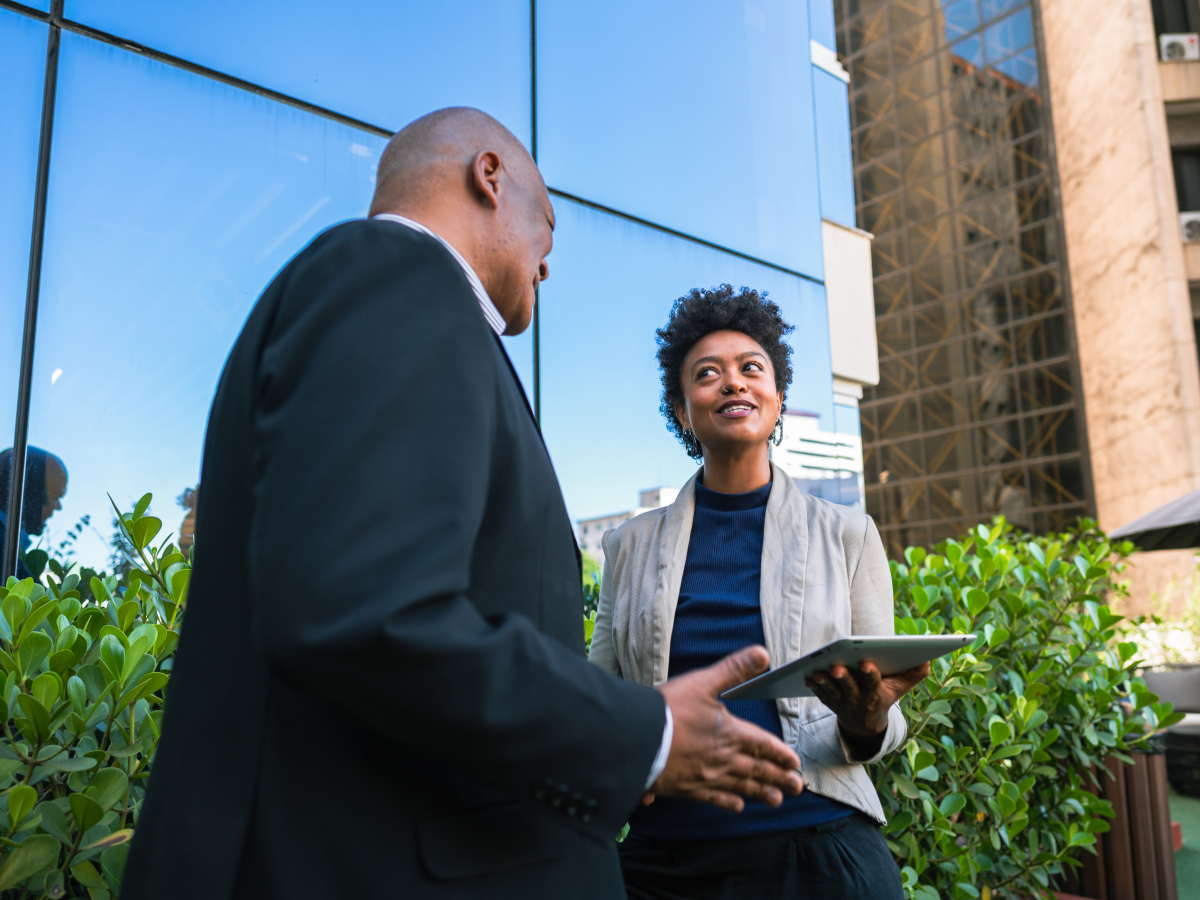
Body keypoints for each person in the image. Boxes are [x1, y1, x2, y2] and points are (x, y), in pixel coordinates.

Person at [122, 109, 804, 900]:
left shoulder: (400, 301)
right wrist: (643, 737)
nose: (547, 265)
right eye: (546, 225)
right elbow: (366, 607)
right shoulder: (395, 272)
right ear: (489, 177)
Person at [589, 285, 930, 900]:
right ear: (681, 407)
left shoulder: (849, 535)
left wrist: (867, 719)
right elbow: (603, 705)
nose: (733, 383)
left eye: (752, 369)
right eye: (707, 374)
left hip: (820, 853)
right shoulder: (627, 546)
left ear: (777, 397)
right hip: (661, 864)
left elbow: (885, 714)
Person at [0, 447, 68, 578]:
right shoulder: (5, 551)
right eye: (55, 497)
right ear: (30, 492)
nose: (58, 507)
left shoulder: (10, 546)